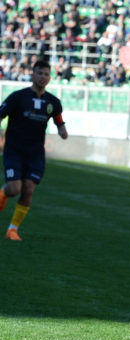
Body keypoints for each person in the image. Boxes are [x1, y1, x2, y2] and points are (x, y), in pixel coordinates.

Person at [0, 60, 69, 241]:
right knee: (14, 189)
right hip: (14, 150)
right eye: (39, 73)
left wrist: (62, 129)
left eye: (46, 74)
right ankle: (3, 193)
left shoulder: (53, 102)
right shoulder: (17, 97)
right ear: (33, 74)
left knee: (28, 189)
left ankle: (12, 230)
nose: (42, 77)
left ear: (50, 77)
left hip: (35, 153)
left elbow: (58, 120)